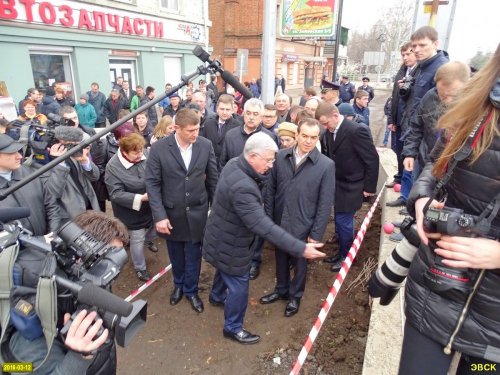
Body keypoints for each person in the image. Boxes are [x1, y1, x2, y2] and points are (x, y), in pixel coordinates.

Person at [397, 44, 500, 375]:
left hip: (493, 329)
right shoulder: (478, 104)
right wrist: (422, 198)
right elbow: (436, 164)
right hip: (436, 288)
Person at [203, 132, 326, 344]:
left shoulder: (234, 164)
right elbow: (265, 227)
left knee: (223, 269)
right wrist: (301, 248)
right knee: (239, 285)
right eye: (268, 160)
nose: (271, 165)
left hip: (221, 236)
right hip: (234, 244)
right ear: (253, 157)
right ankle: (233, 327)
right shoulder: (243, 188)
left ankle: (216, 296)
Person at [6, 210, 129, 375]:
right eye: (106, 261)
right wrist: (78, 357)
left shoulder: (91, 283)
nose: (113, 271)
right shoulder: (30, 341)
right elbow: (14, 369)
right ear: (79, 259)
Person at [145, 108, 218, 314]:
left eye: (198, 129)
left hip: (198, 213)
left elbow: (213, 179)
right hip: (171, 214)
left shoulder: (205, 145)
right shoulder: (159, 149)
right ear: (176, 128)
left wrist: (217, 211)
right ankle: (178, 285)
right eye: (191, 130)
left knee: (194, 254)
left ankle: (191, 290)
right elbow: (151, 183)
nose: (196, 134)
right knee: (176, 253)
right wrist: (159, 216)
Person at [260, 119, 335, 316]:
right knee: (280, 257)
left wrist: (316, 233)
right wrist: (268, 219)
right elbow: (270, 190)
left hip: (304, 224)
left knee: (300, 263)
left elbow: (325, 202)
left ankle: (295, 296)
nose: (308, 141)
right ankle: (281, 289)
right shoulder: (281, 157)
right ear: (297, 136)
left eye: (313, 137)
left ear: (317, 138)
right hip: (279, 220)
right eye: (305, 136)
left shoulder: (326, 166)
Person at [386, 26, 449, 210]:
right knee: (411, 176)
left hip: (429, 141)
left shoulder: (440, 69)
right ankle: (409, 208)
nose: (417, 50)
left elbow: (437, 112)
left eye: (423, 45)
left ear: (435, 44)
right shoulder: (419, 68)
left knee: (423, 183)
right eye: (414, 46)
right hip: (413, 133)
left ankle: (414, 215)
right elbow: (414, 102)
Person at [316, 101, 379, 271]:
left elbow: (371, 160)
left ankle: (346, 257)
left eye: (326, 123)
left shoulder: (356, 131)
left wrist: (369, 187)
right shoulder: (330, 131)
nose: (324, 127)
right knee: (338, 219)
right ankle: (340, 252)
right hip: (337, 183)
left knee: (344, 222)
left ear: (335, 116)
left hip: (353, 184)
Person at [105, 133, 158, 282]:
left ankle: (149, 241)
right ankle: (140, 268)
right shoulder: (112, 167)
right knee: (137, 238)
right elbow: (115, 194)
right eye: (136, 152)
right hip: (130, 211)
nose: (140, 154)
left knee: (153, 228)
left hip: (150, 205)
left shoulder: (144, 154)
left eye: (141, 150)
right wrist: (140, 198)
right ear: (124, 151)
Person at [0, 134, 60, 235]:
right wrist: (39, 242)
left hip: (49, 244)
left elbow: (51, 207)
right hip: (20, 250)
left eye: (18, 151)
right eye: (11, 153)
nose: (19, 156)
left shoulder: (30, 174)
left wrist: (52, 234)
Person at [45, 127, 101, 223]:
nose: (75, 148)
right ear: (59, 143)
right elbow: (54, 193)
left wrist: (85, 161)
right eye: (71, 145)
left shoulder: (75, 153)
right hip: (73, 217)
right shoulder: (47, 162)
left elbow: (95, 177)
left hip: (91, 208)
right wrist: (59, 163)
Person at [385, 42, 418, 189]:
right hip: (398, 120)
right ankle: (399, 177)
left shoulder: (419, 72)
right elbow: (394, 97)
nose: (405, 57)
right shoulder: (402, 71)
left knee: (408, 153)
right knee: (398, 150)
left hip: (410, 123)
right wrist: (392, 119)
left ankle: (407, 184)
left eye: (408, 54)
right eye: (403, 55)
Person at [200, 94, 240, 170]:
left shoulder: (238, 126)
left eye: (227, 109)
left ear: (232, 110)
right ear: (217, 109)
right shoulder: (208, 124)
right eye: (222, 109)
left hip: (228, 168)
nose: (224, 112)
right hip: (210, 167)